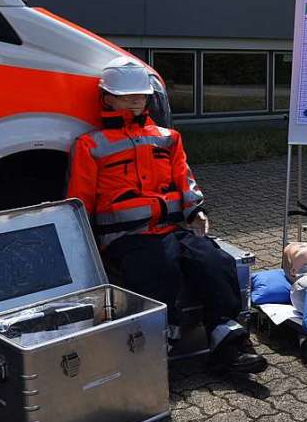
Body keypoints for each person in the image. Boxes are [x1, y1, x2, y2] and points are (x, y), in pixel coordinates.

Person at [68, 57, 267, 374]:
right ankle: (159, 348)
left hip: (173, 230)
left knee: (216, 262)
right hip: (126, 238)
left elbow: (185, 180)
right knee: (158, 267)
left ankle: (227, 343)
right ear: (107, 98)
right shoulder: (90, 145)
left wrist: (196, 210)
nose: (137, 100)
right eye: (128, 95)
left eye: (142, 95)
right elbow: (78, 202)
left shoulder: (168, 137)